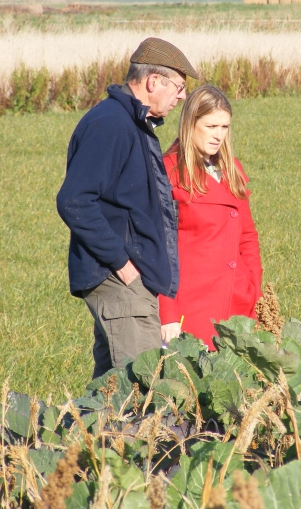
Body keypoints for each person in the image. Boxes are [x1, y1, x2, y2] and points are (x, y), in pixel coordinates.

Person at [57, 37, 199, 379]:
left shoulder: (133, 123)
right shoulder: (112, 124)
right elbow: (74, 200)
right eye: (179, 87)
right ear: (153, 82)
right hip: (119, 281)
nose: (182, 96)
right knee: (142, 392)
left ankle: (74, 435)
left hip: (128, 281)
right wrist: (122, 263)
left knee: (109, 395)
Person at [159, 85, 263, 350]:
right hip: (193, 307)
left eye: (224, 127)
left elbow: (247, 236)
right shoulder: (168, 171)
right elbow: (158, 245)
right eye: (211, 126)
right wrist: (167, 312)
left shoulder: (231, 168)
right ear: (190, 122)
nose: (219, 136)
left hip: (238, 299)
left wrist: (254, 287)